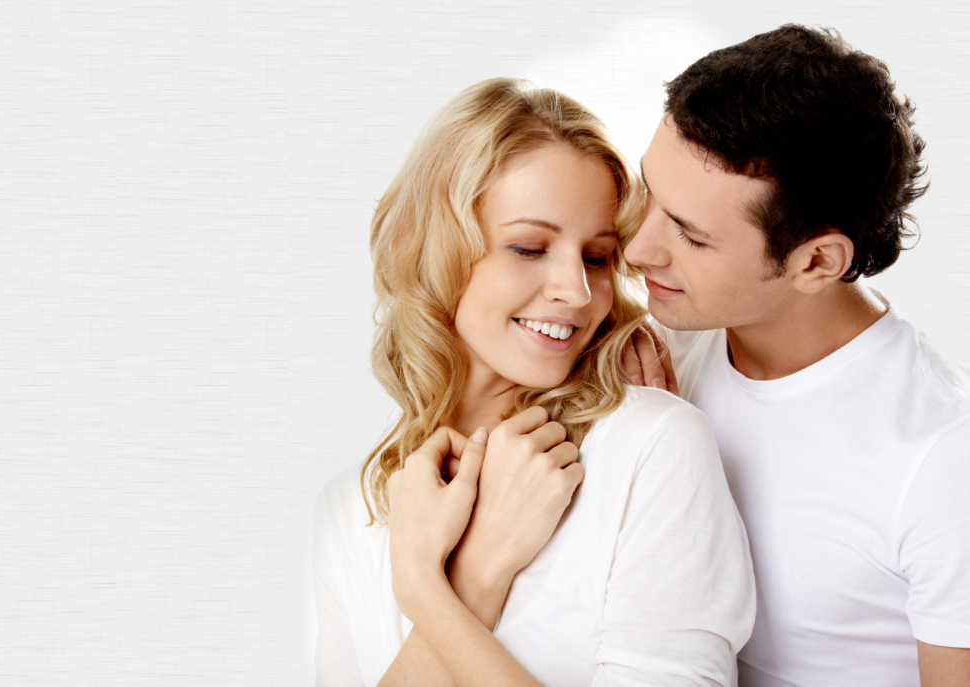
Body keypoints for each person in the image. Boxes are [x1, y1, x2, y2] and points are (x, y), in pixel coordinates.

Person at [312, 77, 756, 686]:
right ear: (433, 249)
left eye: (597, 257)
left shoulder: (650, 448)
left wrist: (427, 591)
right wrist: (480, 572)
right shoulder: (354, 505)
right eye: (527, 247)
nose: (576, 291)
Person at [622, 25, 970, 687]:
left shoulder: (943, 458)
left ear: (816, 261)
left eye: (690, 236)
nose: (638, 249)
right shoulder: (656, 346)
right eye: (648, 192)